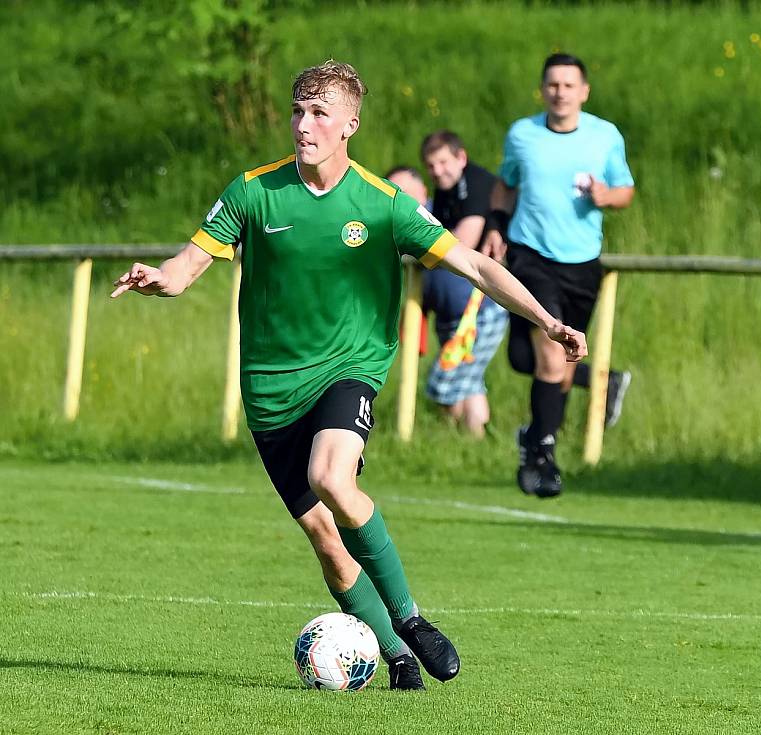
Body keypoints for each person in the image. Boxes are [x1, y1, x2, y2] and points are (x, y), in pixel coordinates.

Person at [111, 60, 587, 691]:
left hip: (348, 368)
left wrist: (547, 320)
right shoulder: (254, 191)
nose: (303, 124)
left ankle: (411, 620)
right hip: (270, 388)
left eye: (319, 113)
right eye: (298, 111)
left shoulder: (383, 203)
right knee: (324, 538)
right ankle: (394, 657)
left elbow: (474, 265)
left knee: (329, 477)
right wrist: (158, 279)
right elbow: (186, 268)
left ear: (348, 126)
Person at [483, 53, 635, 499]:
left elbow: (626, 189)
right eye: (552, 84)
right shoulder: (523, 134)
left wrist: (608, 195)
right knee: (550, 356)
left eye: (569, 85)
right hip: (531, 255)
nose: (560, 92)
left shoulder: (604, 135)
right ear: (542, 89)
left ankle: (535, 441)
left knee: (552, 361)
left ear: (584, 91)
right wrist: (494, 224)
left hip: (582, 261)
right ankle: (543, 454)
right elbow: (506, 184)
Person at [388, 150, 507, 438]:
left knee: (443, 384)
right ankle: (471, 442)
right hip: (448, 317)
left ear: (423, 191)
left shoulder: (433, 218)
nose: (399, 197)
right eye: (392, 191)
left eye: (405, 191)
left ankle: (458, 439)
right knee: (469, 384)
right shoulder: (396, 227)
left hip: (476, 313)